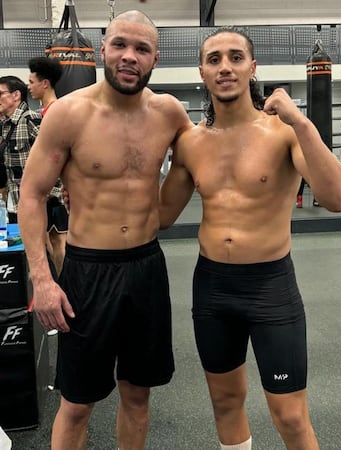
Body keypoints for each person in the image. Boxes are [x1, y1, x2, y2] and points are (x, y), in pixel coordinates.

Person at [159, 28, 341, 450]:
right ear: (202, 73)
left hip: (271, 288)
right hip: (212, 288)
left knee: (290, 414)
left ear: (252, 67)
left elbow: (337, 198)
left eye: (234, 57)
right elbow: (161, 216)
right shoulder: (190, 142)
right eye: (214, 60)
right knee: (225, 401)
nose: (224, 67)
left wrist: (300, 121)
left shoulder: (282, 132)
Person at [18, 10, 192, 450]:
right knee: (77, 402)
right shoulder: (69, 114)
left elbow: (203, 160)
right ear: (102, 49)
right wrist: (42, 278)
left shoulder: (170, 112)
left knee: (137, 394)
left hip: (146, 266)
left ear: (155, 58)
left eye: (141, 48)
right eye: (120, 45)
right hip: (88, 270)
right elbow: (32, 195)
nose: (129, 56)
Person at [28, 56, 68, 275]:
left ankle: (66, 286)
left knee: (60, 238)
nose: (29, 86)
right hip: (45, 189)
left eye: (32, 82)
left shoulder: (58, 111)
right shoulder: (40, 115)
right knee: (48, 238)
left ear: (45, 83)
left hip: (59, 191)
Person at [0, 76, 42, 223]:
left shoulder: (31, 118)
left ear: (16, 95)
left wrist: (52, 194)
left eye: (0, 94)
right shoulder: (5, 125)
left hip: (34, 203)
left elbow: (55, 157)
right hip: (13, 201)